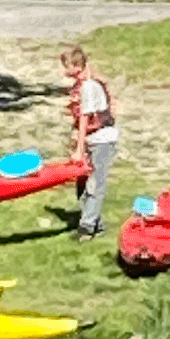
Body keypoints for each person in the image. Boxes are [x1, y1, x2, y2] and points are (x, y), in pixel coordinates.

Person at [61, 45, 119, 241]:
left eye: (66, 66)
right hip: (90, 139)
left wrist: (79, 149)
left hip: (102, 140)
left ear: (76, 66)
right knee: (82, 184)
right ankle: (97, 224)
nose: (64, 71)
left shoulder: (89, 86)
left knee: (95, 184)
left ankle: (86, 228)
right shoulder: (80, 86)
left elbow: (86, 117)